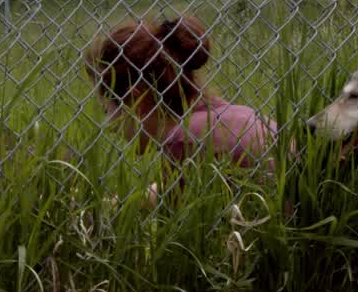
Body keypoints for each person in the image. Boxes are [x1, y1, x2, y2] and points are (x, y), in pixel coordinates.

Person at [85, 14, 280, 205]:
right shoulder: (232, 115)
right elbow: (166, 193)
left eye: (107, 111)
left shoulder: (184, 142)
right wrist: (114, 205)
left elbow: (170, 209)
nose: (110, 126)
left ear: (136, 100)